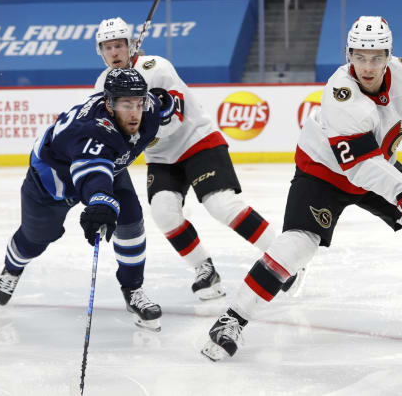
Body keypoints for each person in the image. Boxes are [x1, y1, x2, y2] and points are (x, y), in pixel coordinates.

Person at [201, 16, 402, 361]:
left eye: (376, 57)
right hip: (324, 172)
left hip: (377, 165)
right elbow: (360, 166)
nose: (367, 67)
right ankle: (232, 318)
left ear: (389, 56)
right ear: (348, 55)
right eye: (359, 57)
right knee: (297, 246)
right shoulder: (340, 93)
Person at [92, 17, 282, 301]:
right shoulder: (102, 85)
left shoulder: (156, 69)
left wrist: (151, 116)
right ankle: (205, 270)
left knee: (220, 205)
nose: (114, 52)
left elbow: (175, 122)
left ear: (131, 45)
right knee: (163, 212)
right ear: (100, 51)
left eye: (119, 45)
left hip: (197, 141)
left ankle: (284, 259)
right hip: (161, 156)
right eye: (107, 47)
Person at [0, 68, 174, 332]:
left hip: (108, 166)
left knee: (131, 221)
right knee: (35, 240)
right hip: (52, 181)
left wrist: (166, 105)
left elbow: (161, 106)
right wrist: (100, 202)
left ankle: (133, 289)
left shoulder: (149, 109)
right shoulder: (92, 132)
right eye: (126, 105)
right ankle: (12, 268)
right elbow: (93, 176)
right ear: (109, 106)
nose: (135, 112)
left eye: (138, 103)